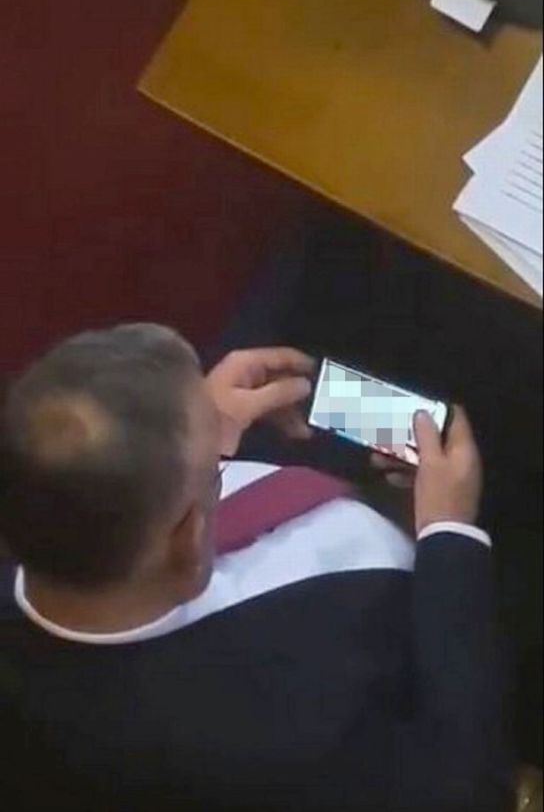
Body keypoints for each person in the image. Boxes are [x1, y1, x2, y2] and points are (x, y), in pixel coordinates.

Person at [0, 324, 514, 812]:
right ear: (190, 539)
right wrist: (450, 532)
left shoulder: (59, 511)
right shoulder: (293, 740)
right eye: (212, 470)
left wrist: (192, 424)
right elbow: (468, 788)